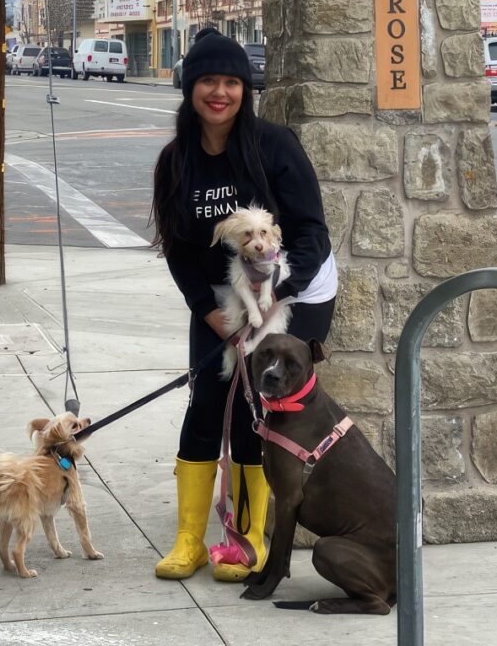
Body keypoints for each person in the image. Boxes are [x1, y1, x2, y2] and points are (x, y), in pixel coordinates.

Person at [151, 29, 337, 584]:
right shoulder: (175, 161)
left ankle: (247, 536)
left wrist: (270, 296)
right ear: (190, 88)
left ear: (245, 90)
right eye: (208, 80)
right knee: (208, 398)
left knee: (262, 409)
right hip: (220, 297)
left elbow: (312, 234)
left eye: (232, 82)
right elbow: (181, 252)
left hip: (293, 291)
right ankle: (190, 538)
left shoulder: (274, 146)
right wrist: (206, 312)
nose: (220, 92)